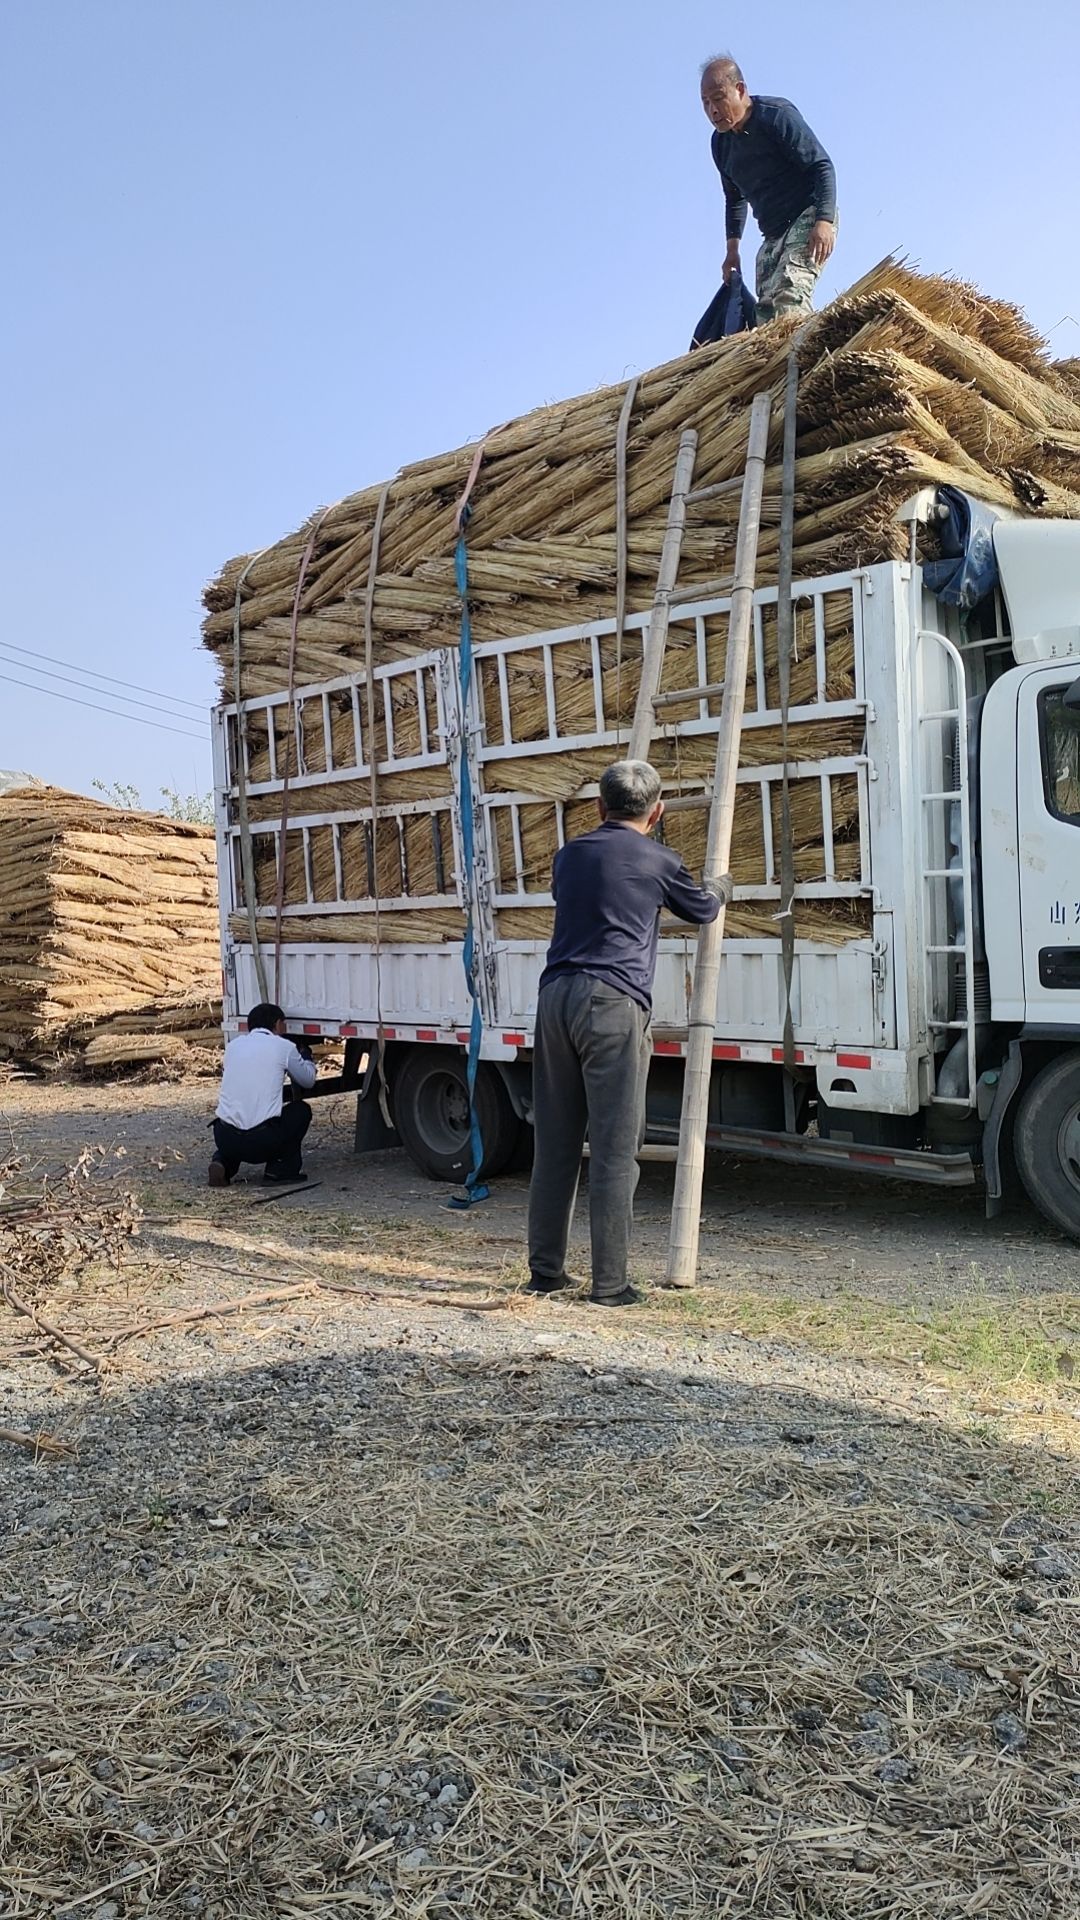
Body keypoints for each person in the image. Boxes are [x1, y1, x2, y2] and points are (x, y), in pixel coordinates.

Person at [526, 760, 726, 1307]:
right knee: (616, 1149)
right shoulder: (659, 859)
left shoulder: (569, 855)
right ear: (657, 811)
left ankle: (545, 1274)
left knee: (556, 1143)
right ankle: (610, 1285)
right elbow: (704, 909)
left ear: (597, 807)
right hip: (611, 1004)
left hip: (554, 999)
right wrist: (719, 886)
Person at [701, 55, 836, 325]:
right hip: (772, 236)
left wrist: (824, 221)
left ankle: (802, 363)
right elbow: (734, 199)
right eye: (705, 103)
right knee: (765, 315)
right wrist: (732, 250)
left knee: (789, 299)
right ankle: (783, 364)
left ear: (739, 90)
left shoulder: (775, 116)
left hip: (806, 216)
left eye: (718, 98)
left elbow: (822, 165)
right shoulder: (720, 145)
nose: (712, 110)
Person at [209, 1002, 318, 1187]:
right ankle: (279, 1170)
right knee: (301, 1111)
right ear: (277, 1024)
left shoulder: (233, 1047)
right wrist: (306, 1057)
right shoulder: (284, 1046)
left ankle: (222, 1163)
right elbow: (308, 1080)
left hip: (224, 1135)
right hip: (262, 1140)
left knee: (238, 1117)